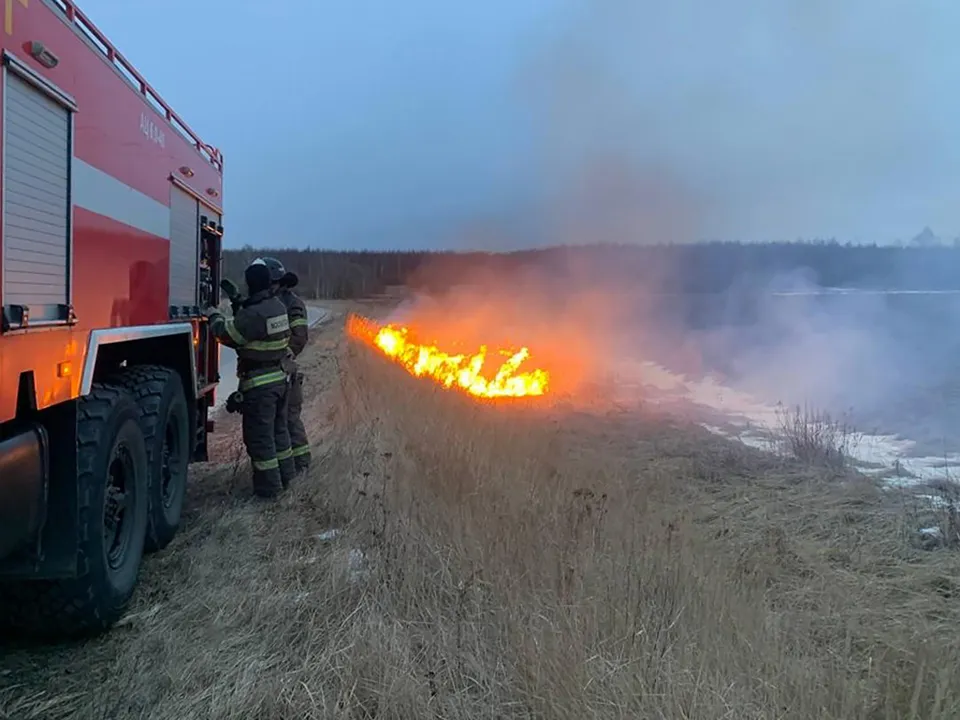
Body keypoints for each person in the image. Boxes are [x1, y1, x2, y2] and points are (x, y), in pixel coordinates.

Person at [205, 259, 296, 497]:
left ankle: (269, 492)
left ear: (250, 284)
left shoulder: (255, 314)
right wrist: (239, 303)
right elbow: (255, 323)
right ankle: (288, 480)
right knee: (279, 434)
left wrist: (213, 315)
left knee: (260, 441)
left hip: (261, 386)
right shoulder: (276, 306)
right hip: (280, 380)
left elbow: (228, 334)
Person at [261, 257, 311, 472]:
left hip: (285, 372)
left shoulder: (293, 304)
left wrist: (283, 357)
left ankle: (301, 464)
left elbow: (299, 337)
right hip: (271, 375)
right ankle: (284, 467)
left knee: (290, 420)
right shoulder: (265, 302)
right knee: (274, 424)